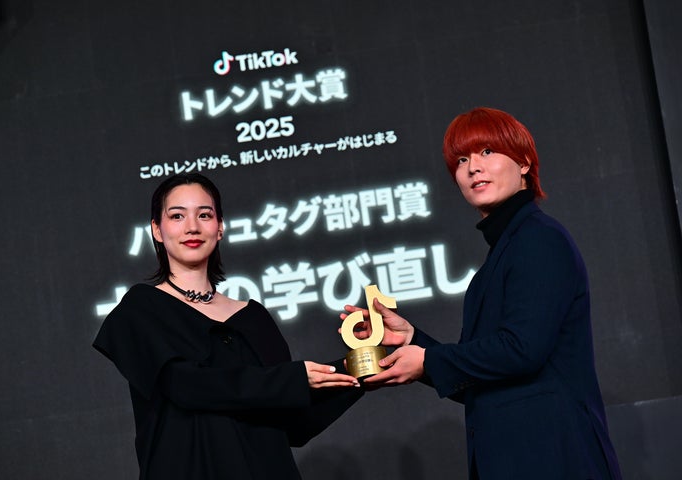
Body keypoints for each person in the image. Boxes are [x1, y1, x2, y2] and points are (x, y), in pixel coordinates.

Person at [342, 107, 622, 479]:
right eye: (462, 160)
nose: (474, 167)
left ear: (524, 162)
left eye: (487, 152)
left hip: (554, 458)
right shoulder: (502, 255)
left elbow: (522, 350)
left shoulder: (539, 239)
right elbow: (480, 378)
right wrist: (412, 339)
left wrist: (427, 360)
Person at [94, 172, 363, 479]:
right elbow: (186, 386)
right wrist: (292, 380)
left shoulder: (253, 317)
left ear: (220, 227)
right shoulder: (141, 309)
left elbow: (294, 423)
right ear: (157, 229)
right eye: (177, 216)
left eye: (204, 215)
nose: (192, 227)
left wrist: (363, 367)